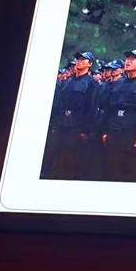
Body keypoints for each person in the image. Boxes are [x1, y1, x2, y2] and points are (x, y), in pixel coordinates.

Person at [42, 51, 100, 180]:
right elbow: (59, 104)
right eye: (78, 59)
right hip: (61, 124)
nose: (79, 61)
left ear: (90, 64)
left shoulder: (92, 83)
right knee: (56, 157)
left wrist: (85, 130)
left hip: (77, 127)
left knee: (71, 160)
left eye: (83, 59)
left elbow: (91, 108)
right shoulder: (68, 81)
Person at [100, 49, 136, 182]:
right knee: (111, 170)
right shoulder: (118, 83)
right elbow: (109, 109)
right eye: (127, 59)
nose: (128, 62)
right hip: (114, 132)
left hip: (132, 135)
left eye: (133, 59)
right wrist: (105, 131)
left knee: (130, 172)